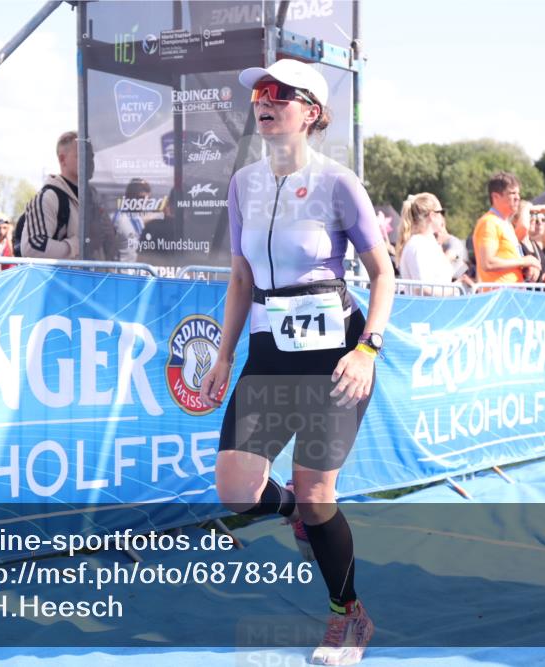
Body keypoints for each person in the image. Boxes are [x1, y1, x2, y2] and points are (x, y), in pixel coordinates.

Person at [198, 59, 393, 666]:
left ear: (310, 112)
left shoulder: (339, 183)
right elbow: (239, 276)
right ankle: (297, 516)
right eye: (259, 92)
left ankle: (348, 615)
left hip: (337, 351)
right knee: (234, 490)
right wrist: (224, 354)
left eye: (280, 93)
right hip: (268, 349)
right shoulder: (242, 184)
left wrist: (368, 349)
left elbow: (384, 274)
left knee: (316, 492)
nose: (265, 100)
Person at [18, 131, 80, 259]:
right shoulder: (49, 197)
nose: (90, 160)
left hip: (96, 278)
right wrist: (78, 245)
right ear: (62, 159)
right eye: (82, 155)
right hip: (63, 278)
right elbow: (32, 248)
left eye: (91, 155)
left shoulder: (95, 198)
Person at [472, 172, 540, 283]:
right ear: (495, 197)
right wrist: (524, 261)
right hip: (499, 295)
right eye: (512, 193)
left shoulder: (506, 224)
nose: (517, 197)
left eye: (518, 193)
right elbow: (488, 263)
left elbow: (509, 260)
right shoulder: (489, 223)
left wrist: (527, 269)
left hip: (512, 294)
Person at [395, 193, 452, 294]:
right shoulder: (418, 245)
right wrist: (453, 290)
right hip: (426, 308)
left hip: (434, 307)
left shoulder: (427, 243)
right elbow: (422, 289)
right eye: (441, 212)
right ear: (432, 216)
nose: (443, 217)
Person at [113, 177, 152, 264]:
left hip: (134, 272)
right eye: (141, 199)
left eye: (148, 200)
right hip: (121, 274)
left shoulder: (136, 217)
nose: (145, 203)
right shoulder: (121, 219)